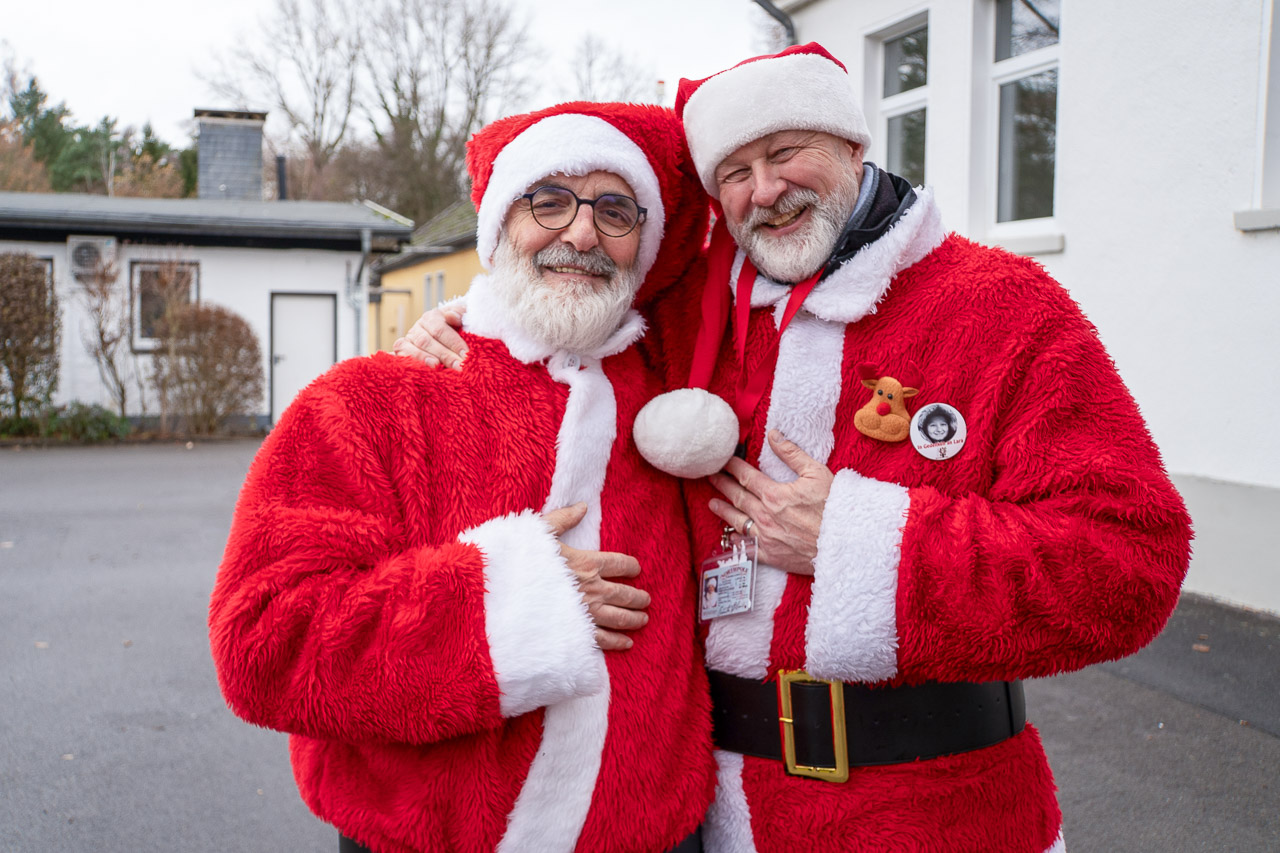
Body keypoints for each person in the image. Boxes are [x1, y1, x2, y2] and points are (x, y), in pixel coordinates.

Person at [397, 44, 1193, 853]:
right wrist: (469, 319)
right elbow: (566, 307)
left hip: (948, 813)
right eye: (735, 172)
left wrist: (859, 543)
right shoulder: (682, 319)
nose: (766, 190)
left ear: (851, 145)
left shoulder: (1001, 306)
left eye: (785, 152)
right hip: (727, 819)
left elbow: (1132, 563)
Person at [209, 101, 715, 853]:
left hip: (656, 838)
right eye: (549, 201)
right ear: (499, 223)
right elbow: (262, 643)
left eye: (615, 210)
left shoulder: (680, 394)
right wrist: (512, 601)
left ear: (646, 243)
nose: (582, 233)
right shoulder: (368, 400)